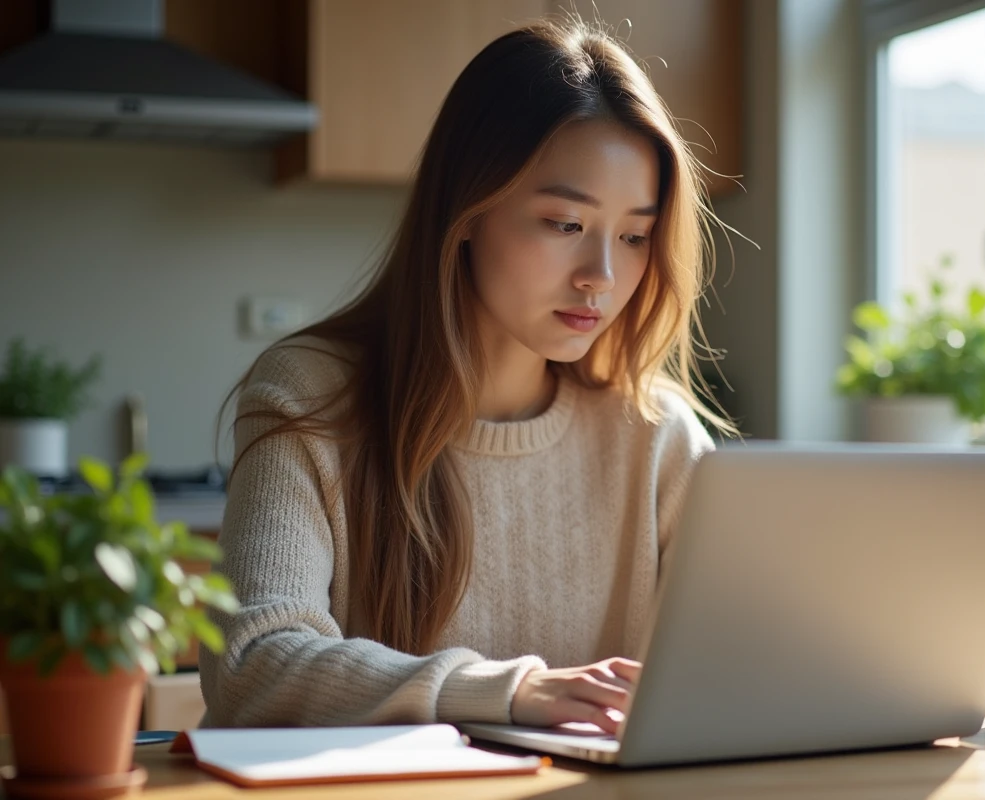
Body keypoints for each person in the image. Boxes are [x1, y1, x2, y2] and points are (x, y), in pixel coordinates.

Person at [199, 16, 734, 735]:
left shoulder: (657, 435)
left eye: (635, 237)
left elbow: (743, 668)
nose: (601, 278)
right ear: (467, 212)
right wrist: (511, 691)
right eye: (565, 224)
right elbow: (252, 664)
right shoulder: (309, 396)